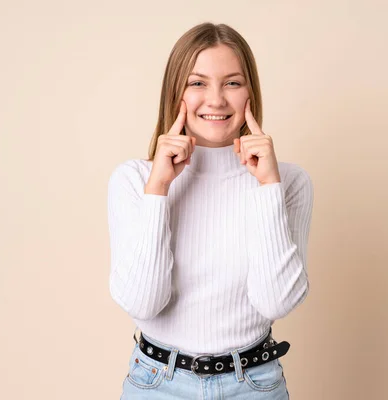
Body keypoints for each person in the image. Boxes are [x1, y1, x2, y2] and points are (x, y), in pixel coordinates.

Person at [107, 22, 314, 399]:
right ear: (176, 92)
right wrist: (158, 191)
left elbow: (276, 301)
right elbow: (142, 302)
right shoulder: (133, 179)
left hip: (254, 385)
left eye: (232, 83)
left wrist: (267, 187)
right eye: (197, 83)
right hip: (157, 384)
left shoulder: (290, 182)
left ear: (250, 92)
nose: (216, 100)